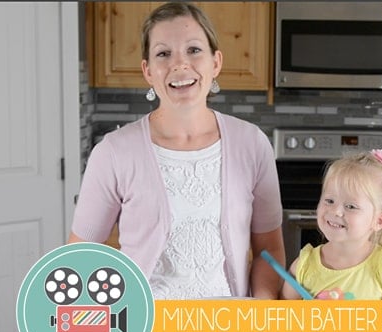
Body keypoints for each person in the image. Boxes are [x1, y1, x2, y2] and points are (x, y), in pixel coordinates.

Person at [68, 2, 285, 300]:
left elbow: (269, 251)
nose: (179, 64)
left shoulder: (252, 144)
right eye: (163, 53)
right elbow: (80, 256)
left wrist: (259, 315)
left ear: (216, 62)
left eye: (194, 50)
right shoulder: (113, 153)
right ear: (147, 70)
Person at [280, 150, 382, 300]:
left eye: (351, 206)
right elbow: (282, 320)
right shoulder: (303, 266)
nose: (336, 211)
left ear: (378, 221)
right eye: (329, 201)